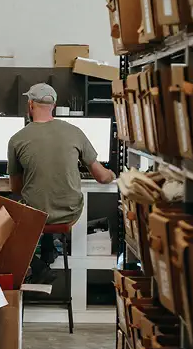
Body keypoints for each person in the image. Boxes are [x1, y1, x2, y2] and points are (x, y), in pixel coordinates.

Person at [7, 83, 117, 284]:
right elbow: (102, 177)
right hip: (69, 213)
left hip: (38, 215)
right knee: (48, 202)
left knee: (8, 221)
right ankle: (50, 248)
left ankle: (39, 266)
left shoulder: (17, 139)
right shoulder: (74, 132)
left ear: (30, 105)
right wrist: (112, 175)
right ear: (54, 105)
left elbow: (15, 189)